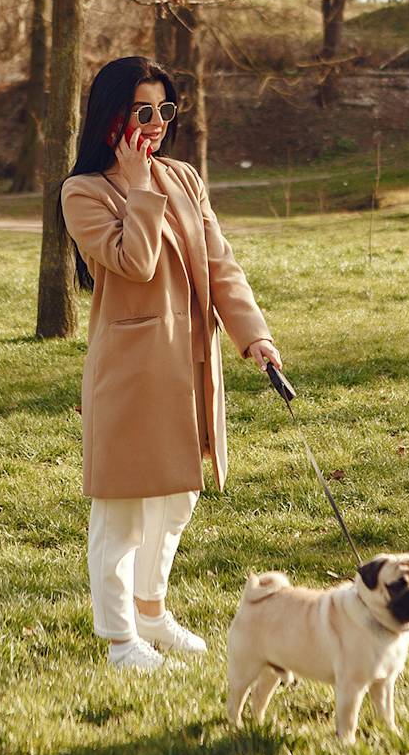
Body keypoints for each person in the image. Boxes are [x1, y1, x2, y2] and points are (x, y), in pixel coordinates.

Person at [60, 56, 283, 671]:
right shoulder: (82, 192)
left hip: (190, 365)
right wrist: (136, 188)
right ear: (111, 118)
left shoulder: (185, 178)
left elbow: (220, 264)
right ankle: (120, 640)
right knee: (123, 510)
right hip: (132, 374)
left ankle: (152, 613)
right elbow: (133, 262)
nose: (156, 123)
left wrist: (253, 336)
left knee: (180, 497)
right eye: (142, 111)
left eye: (165, 110)